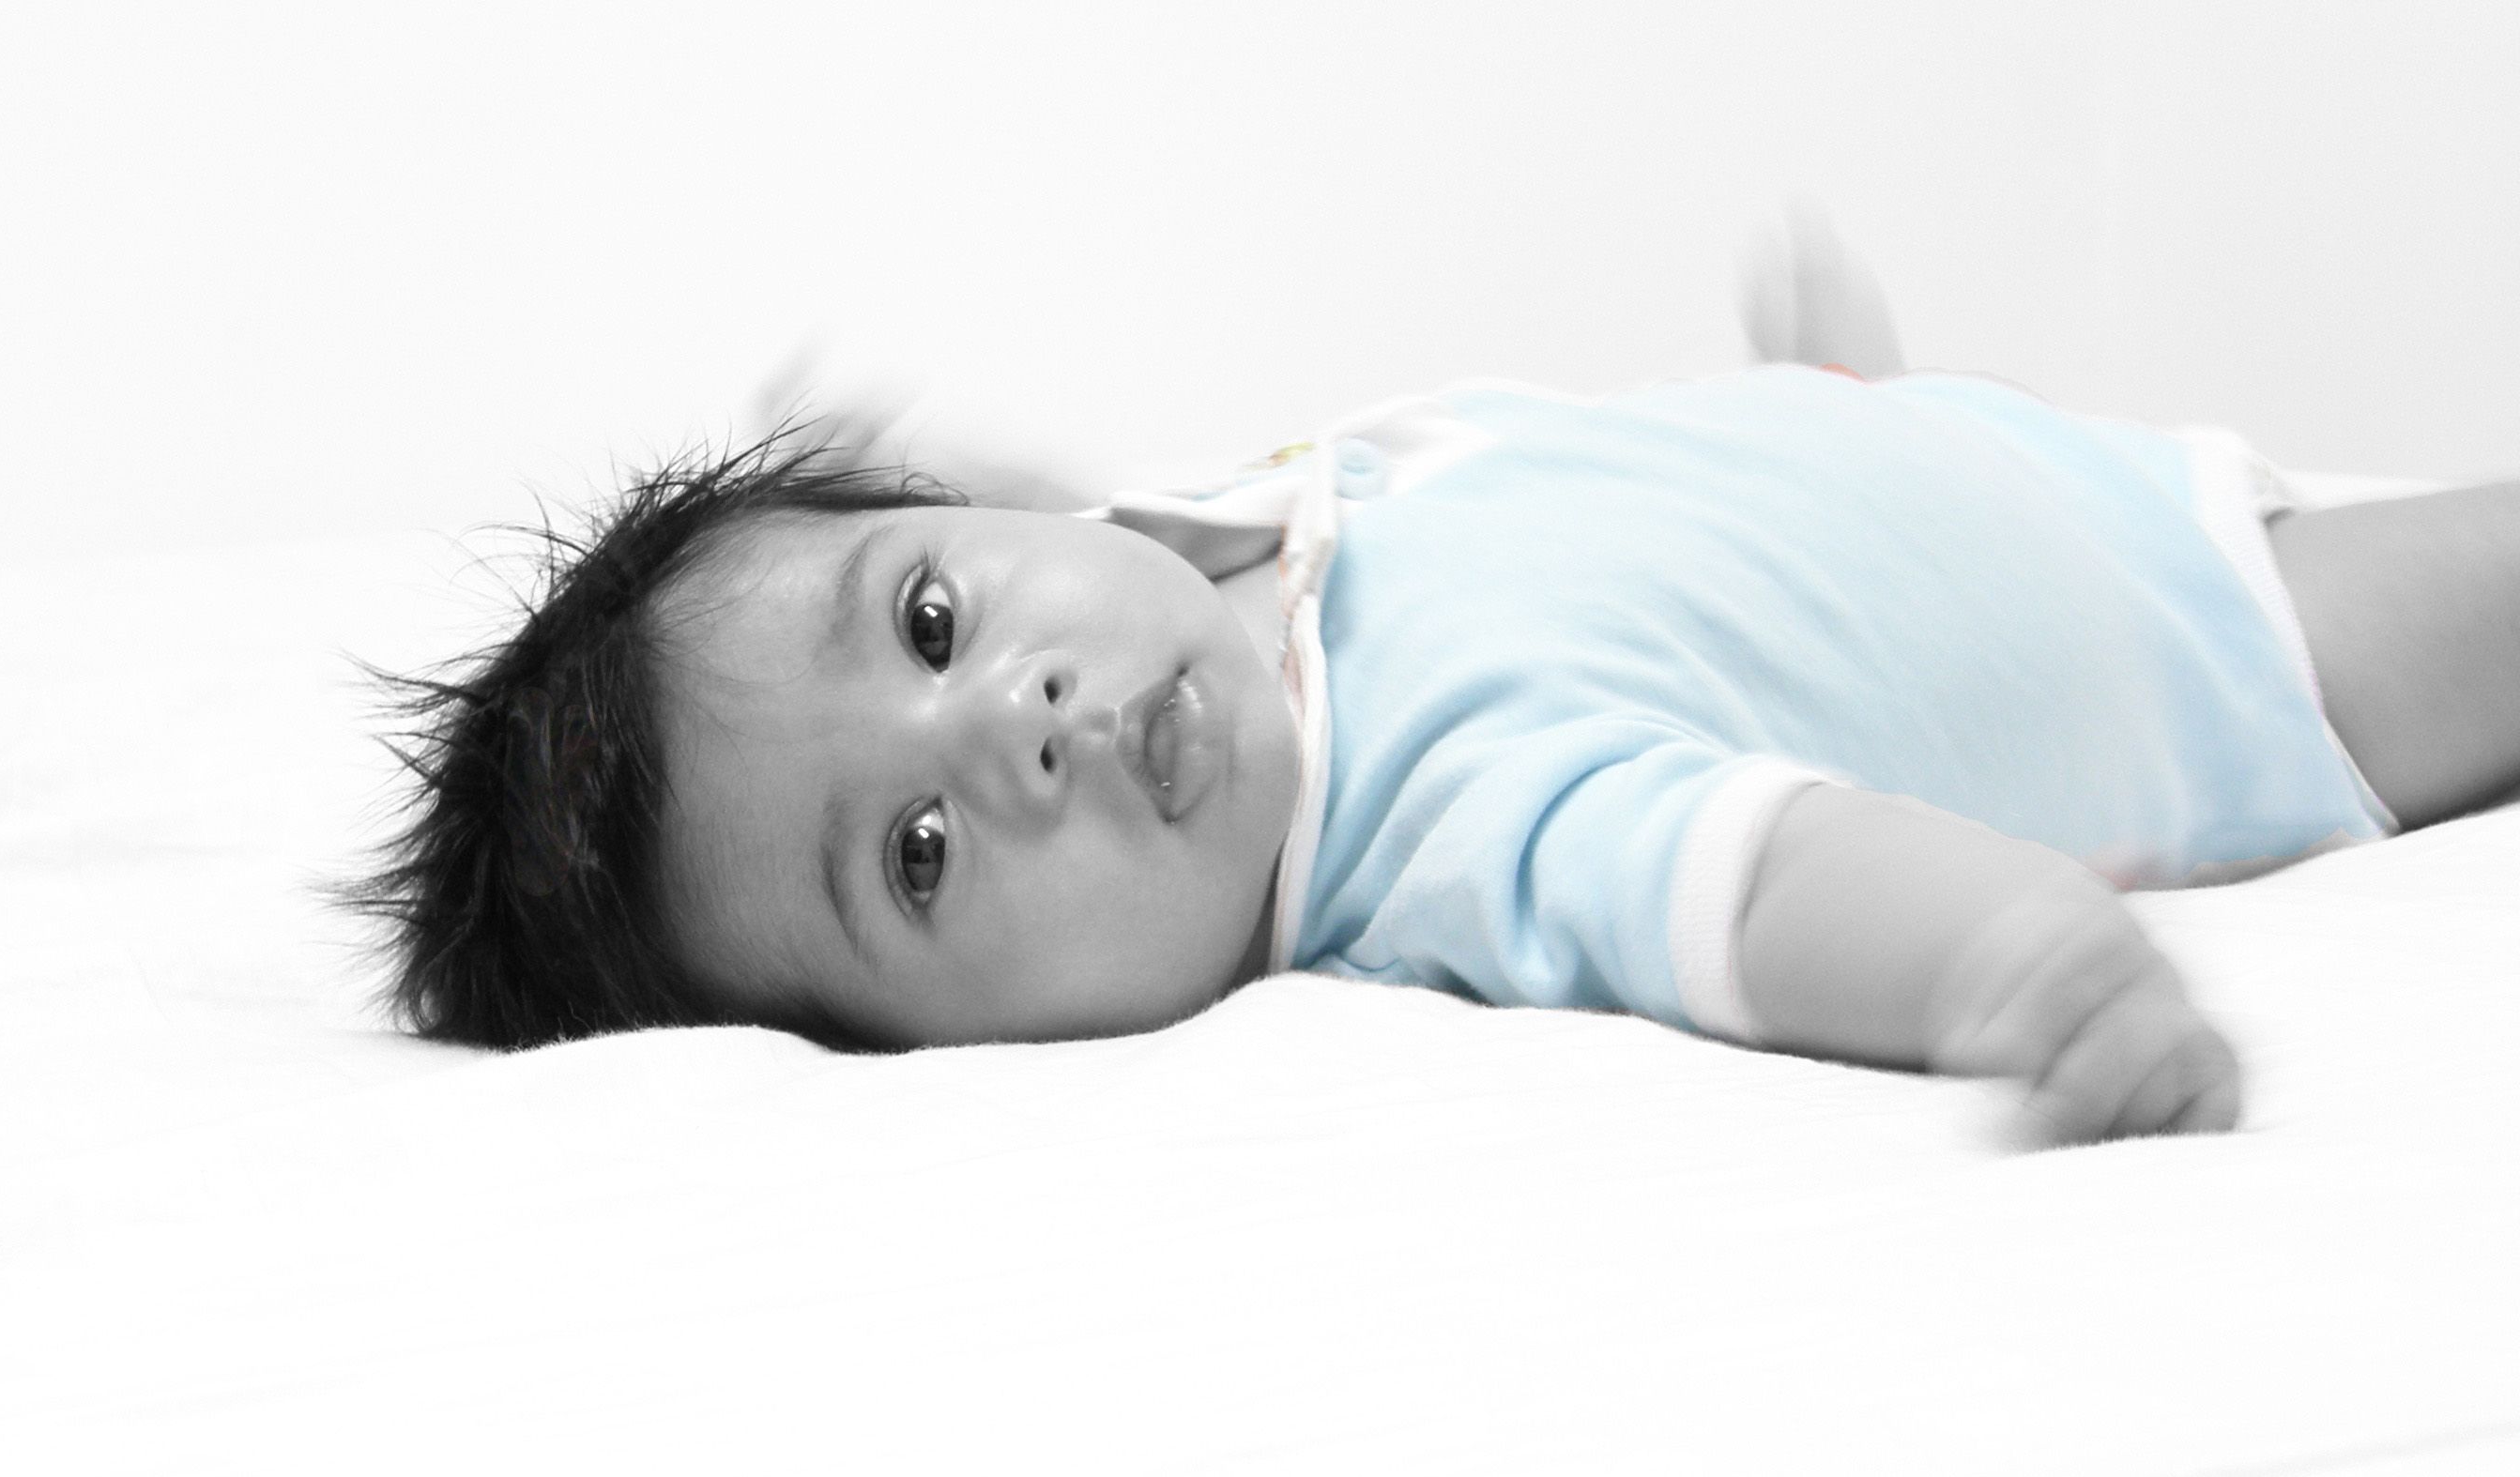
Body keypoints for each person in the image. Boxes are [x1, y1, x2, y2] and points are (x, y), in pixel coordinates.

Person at [343, 231, 2520, 1146]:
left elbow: (1038, 517)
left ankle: (1855, 414)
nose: (1012, 725)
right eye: (914, 858)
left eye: (925, 621)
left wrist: (911, 474)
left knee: (1799, 462)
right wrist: (2012, 962)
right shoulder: (1447, 822)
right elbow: (1757, 879)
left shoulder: (1188, 548)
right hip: (2229, 638)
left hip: (1963, 485)